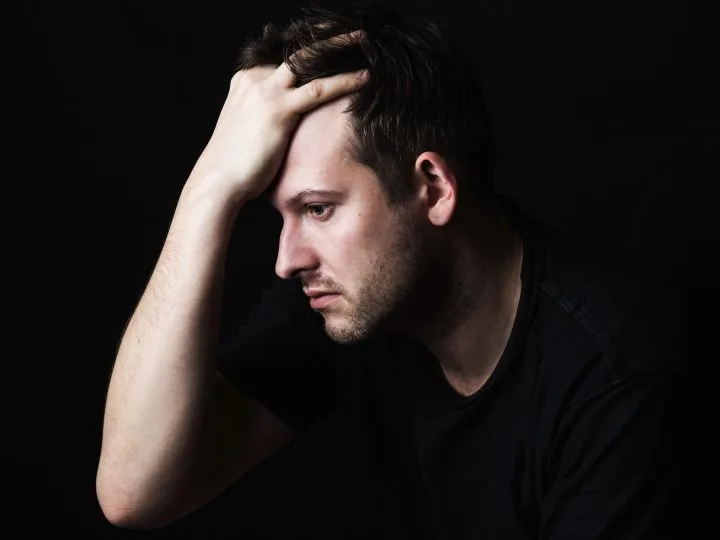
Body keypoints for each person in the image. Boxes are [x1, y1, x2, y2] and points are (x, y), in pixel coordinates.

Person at [96, 3, 688, 538]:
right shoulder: (348, 303)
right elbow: (134, 493)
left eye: (318, 209)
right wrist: (208, 191)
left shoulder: (616, 372)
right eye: (280, 215)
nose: (287, 260)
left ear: (433, 187)